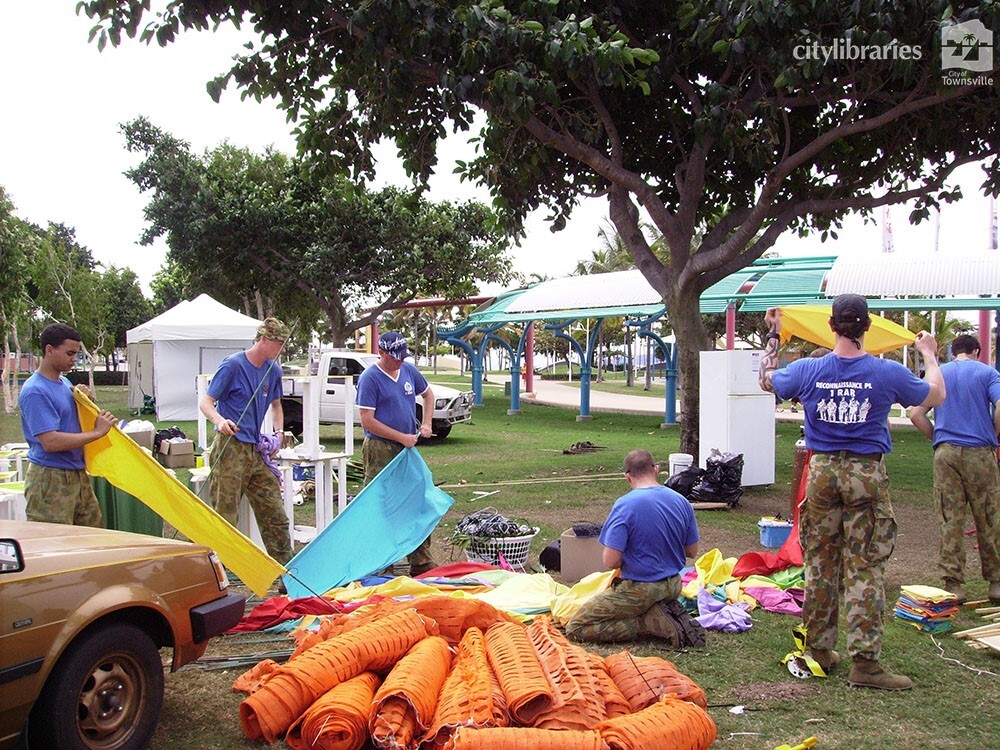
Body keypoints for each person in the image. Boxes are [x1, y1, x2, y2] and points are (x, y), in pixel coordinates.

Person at [759, 294, 945, 690]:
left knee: (820, 564)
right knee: (865, 567)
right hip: (866, 472)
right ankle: (866, 665)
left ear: (831, 327)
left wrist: (773, 335)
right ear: (866, 328)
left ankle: (819, 650)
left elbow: (766, 379)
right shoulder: (887, 373)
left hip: (822, 470)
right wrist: (929, 354)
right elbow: (935, 395)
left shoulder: (809, 369)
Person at [566, 449, 701, 645]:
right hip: (673, 585)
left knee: (576, 627)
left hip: (641, 589)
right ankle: (659, 611)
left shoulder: (625, 506)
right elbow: (692, 551)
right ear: (655, 470)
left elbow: (610, 561)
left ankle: (648, 623)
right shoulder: (681, 501)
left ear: (627, 477)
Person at [909, 334, 1000, 605]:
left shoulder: (940, 373)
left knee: (950, 519)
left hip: (946, 453)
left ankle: (954, 584)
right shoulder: (988, 373)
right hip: (981, 453)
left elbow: (916, 414)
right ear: (976, 351)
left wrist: (938, 438)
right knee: (990, 517)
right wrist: (993, 433)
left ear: (952, 352)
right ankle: (996, 583)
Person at [199, 317, 293, 565]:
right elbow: (206, 402)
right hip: (230, 447)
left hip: (256, 450)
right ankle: (219, 572)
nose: (280, 350)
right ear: (264, 339)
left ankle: (286, 572)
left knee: (274, 511)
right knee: (225, 514)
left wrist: (279, 433)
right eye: (278, 344)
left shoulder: (274, 371)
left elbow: (276, 405)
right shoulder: (233, 365)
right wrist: (220, 421)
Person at [19, 323, 117, 526]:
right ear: (49, 350)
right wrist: (97, 432)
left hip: (76, 474)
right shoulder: (35, 390)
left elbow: (72, 422)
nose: (74, 359)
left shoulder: (64, 383)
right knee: (55, 544)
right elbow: (51, 442)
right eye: (70, 353)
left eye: (76, 354)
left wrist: (85, 401)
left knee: (91, 537)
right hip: (50, 477)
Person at [356, 331, 437, 576]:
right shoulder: (370, 378)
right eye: (394, 357)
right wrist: (401, 437)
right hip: (380, 448)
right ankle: (382, 562)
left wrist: (426, 423)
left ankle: (421, 560)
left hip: (407, 448)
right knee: (381, 504)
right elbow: (367, 421)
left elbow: (428, 394)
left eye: (403, 357)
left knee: (416, 499)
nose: (399, 361)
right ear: (381, 353)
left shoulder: (409, 371)